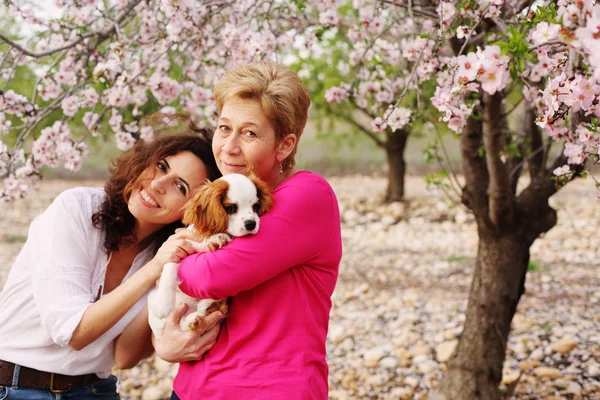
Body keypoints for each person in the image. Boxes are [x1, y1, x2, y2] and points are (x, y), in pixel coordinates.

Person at [154, 62, 343, 399]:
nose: (229, 146)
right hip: (191, 389)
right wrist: (163, 342)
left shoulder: (307, 196)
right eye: (224, 127)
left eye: (250, 133)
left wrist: (178, 249)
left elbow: (212, 276)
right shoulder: (219, 197)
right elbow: (167, 292)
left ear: (284, 145)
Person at [0, 118, 223, 400]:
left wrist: (166, 276)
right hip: (16, 386)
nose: (157, 183)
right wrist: (154, 270)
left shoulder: (165, 253)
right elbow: (73, 332)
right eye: (161, 166)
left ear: (191, 210)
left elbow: (124, 356)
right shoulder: (77, 209)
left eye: (179, 187)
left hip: (95, 390)